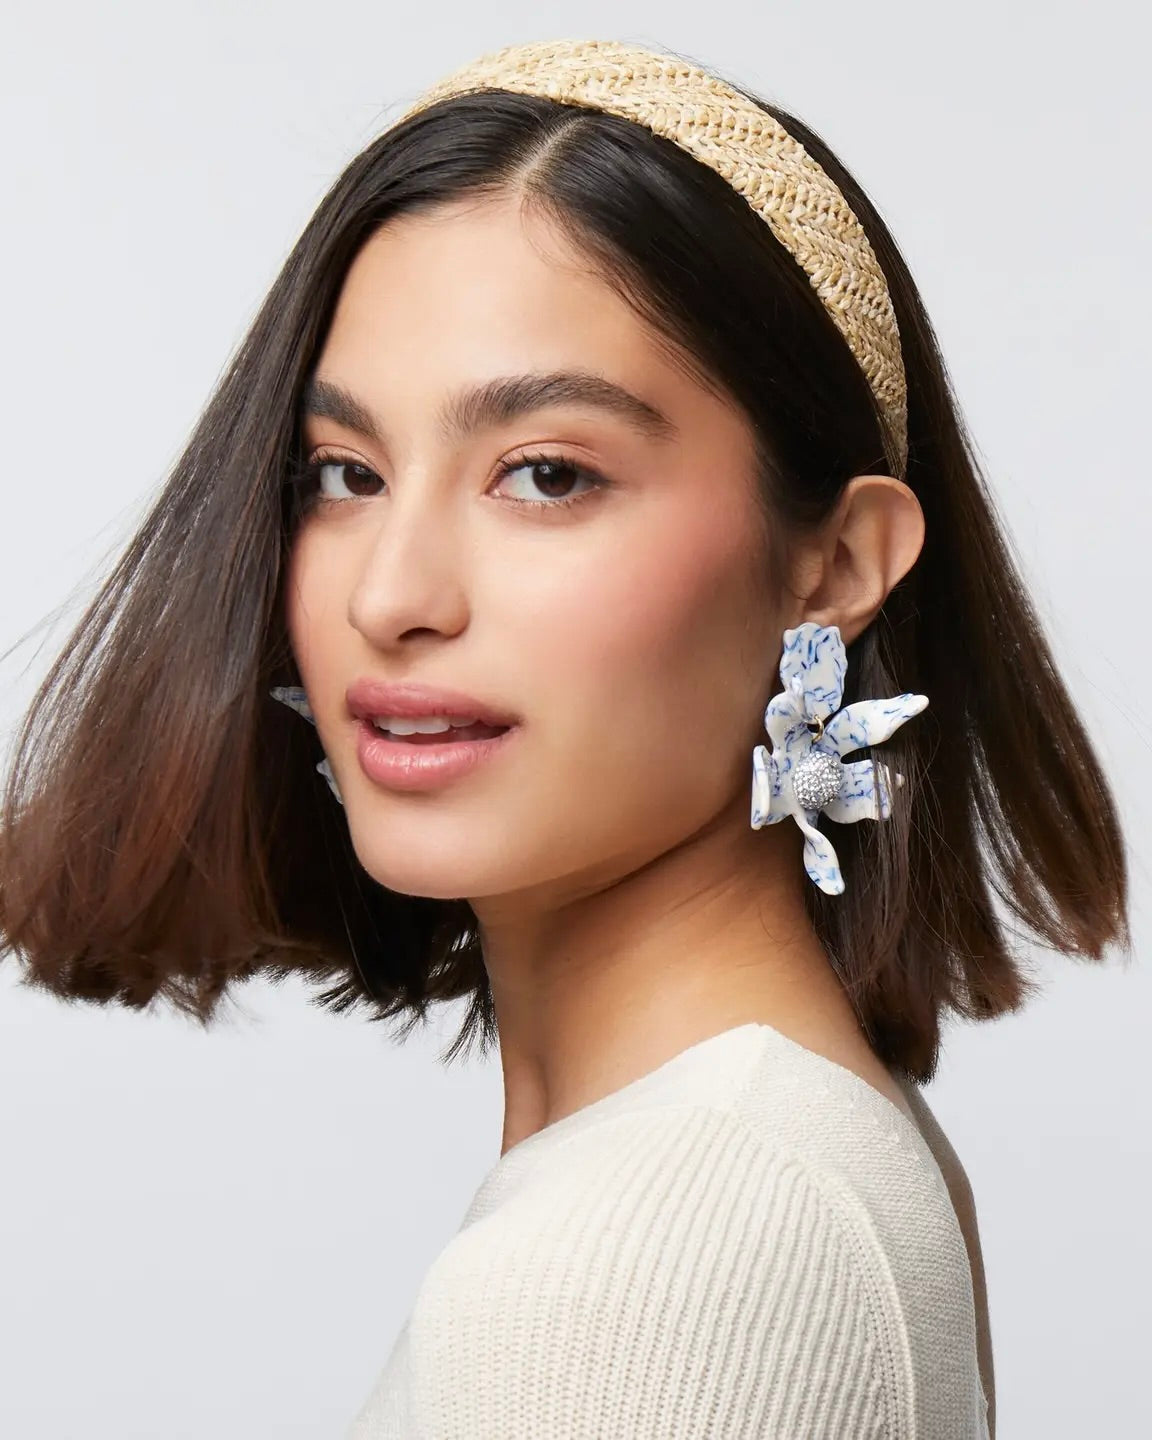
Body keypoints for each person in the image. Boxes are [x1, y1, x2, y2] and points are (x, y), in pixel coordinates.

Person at [0, 36, 1131, 1439]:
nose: (392, 595)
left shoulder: (652, 1261)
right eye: (342, 475)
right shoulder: (786, 1154)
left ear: (836, 562)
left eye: (545, 474)